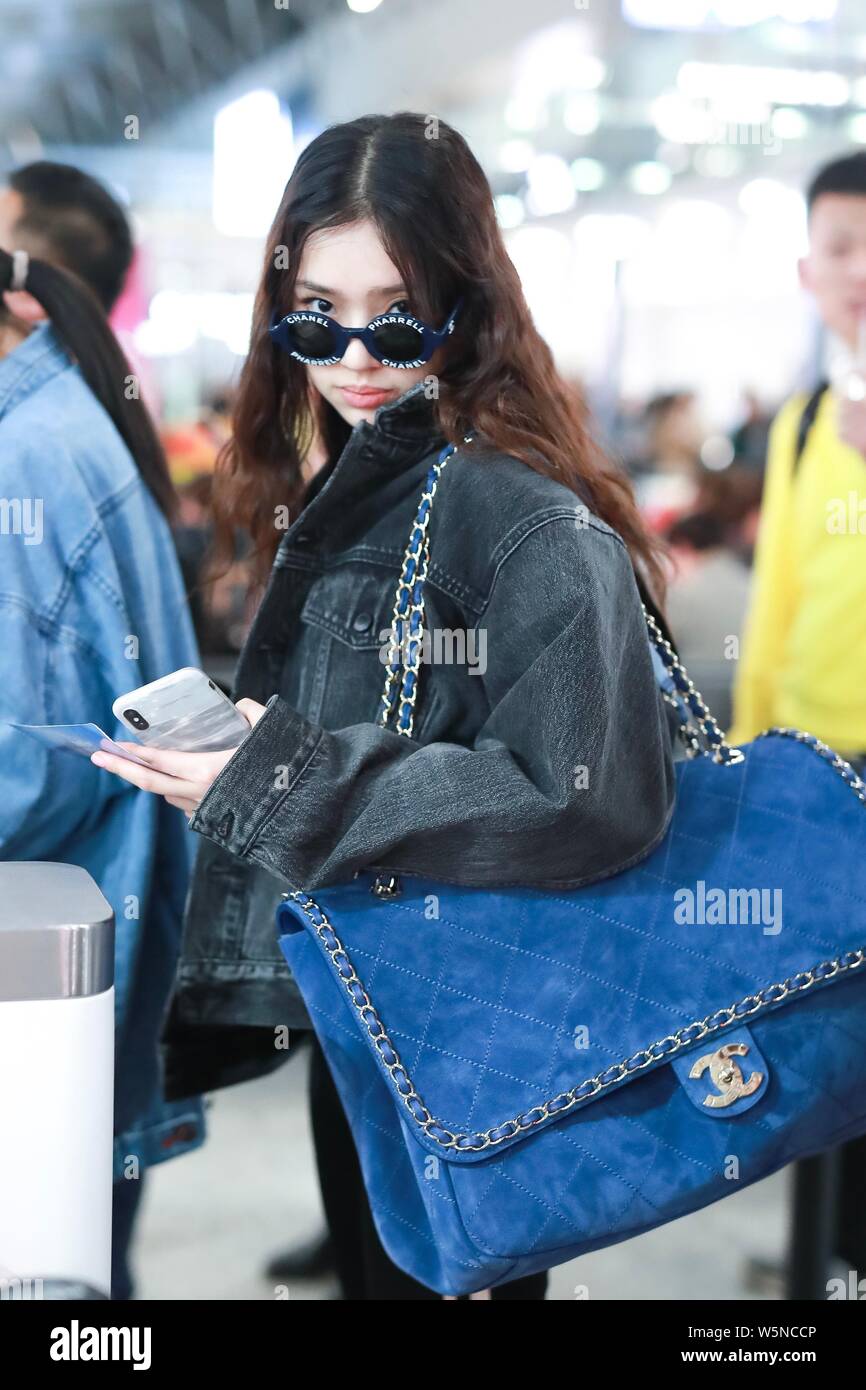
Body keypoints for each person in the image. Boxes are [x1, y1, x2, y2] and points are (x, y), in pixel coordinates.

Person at [90, 112, 678, 1300]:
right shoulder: (358, 470)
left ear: (470, 306)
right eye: (316, 316)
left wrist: (281, 774)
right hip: (369, 1002)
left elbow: (584, 797)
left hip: (470, 1028)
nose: (355, 354)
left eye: (397, 317)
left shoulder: (517, 513)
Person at [0, 235, 206, 1299]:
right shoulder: (55, 420)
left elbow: (30, 776)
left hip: (34, 1011)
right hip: (76, 991)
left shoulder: (19, 462)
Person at [728, 149, 866, 1283]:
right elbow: (771, 604)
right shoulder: (804, 417)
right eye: (839, 247)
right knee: (820, 1050)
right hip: (818, 781)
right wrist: (748, 769)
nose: (858, 270)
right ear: (805, 268)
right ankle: (822, 1260)